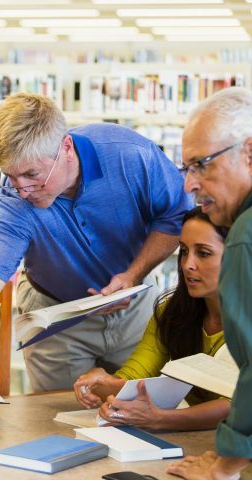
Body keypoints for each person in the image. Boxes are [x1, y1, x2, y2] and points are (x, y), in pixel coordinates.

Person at [0, 93, 191, 407]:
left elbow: (175, 216)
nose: (22, 190)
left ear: (66, 148)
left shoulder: (131, 155)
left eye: (32, 174)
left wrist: (134, 274)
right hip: (54, 317)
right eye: (10, 175)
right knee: (61, 416)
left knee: (138, 406)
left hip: (134, 306)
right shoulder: (13, 200)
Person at [73, 207, 230, 431]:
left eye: (203, 253)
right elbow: (136, 377)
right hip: (199, 441)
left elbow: (239, 405)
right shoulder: (172, 312)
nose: (187, 264)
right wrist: (102, 383)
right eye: (184, 251)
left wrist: (159, 419)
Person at [165, 88, 252, 479]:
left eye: (201, 165)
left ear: (249, 154)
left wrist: (224, 467)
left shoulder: (245, 236)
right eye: (186, 169)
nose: (190, 185)